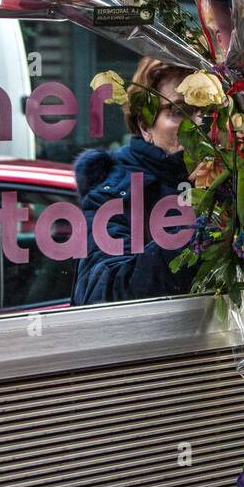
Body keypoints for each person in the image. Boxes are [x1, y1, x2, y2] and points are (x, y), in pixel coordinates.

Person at [73, 58, 195, 304]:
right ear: (145, 125)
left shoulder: (228, 182)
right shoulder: (115, 192)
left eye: (210, 111)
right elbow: (106, 292)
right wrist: (198, 238)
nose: (198, 123)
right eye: (180, 112)